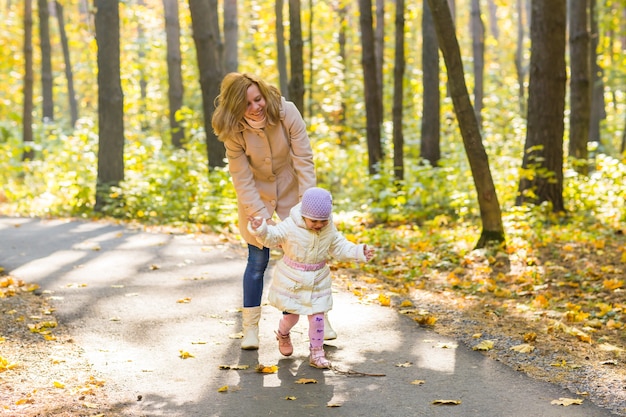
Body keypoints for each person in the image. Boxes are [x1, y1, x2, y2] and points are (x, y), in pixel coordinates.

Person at [211, 73, 338, 350]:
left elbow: (303, 158)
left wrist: (307, 205)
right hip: (255, 195)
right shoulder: (232, 130)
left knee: (305, 258)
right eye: (247, 104)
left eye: (258, 99)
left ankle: (320, 318)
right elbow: (240, 176)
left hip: (292, 188)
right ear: (235, 108)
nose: (256, 106)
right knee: (257, 261)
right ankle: (250, 329)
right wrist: (258, 214)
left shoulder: (286, 111)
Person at [248, 187, 375, 368]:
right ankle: (283, 334)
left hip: (317, 280)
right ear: (303, 215)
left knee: (318, 317)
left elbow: (339, 246)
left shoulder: (328, 228)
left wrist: (358, 251)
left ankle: (316, 353)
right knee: (291, 318)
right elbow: (272, 237)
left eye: (323, 221)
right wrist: (260, 230)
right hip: (293, 280)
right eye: (314, 221)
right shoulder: (290, 225)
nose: (318, 225)